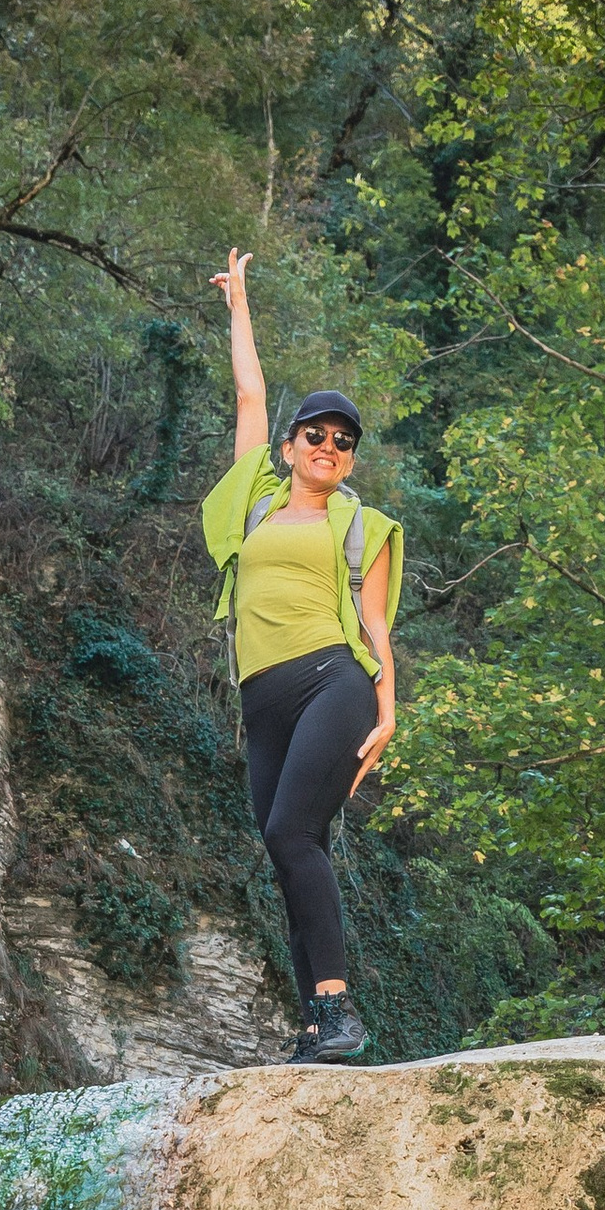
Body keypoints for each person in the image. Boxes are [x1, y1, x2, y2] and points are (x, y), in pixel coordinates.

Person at [202, 248, 403, 1062]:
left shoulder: (360, 526)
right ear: (289, 446)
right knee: (292, 851)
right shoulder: (253, 499)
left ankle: (338, 1008)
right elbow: (250, 392)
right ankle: (318, 1025)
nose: (330, 445)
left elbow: (375, 624)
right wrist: (239, 305)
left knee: (292, 832)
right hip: (264, 699)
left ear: (351, 459)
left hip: (334, 680)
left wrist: (388, 713)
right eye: (316, 434)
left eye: (344, 441)